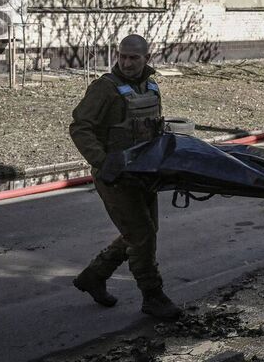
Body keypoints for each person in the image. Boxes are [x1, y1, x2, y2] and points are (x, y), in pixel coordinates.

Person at [68, 34, 181, 320]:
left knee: (144, 231)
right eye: (122, 56)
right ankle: (152, 295)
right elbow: (81, 127)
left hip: (145, 174)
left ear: (147, 59)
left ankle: (95, 275)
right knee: (141, 235)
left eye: (134, 58)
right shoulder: (104, 89)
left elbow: (153, 127)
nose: (127, 63)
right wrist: (102, 162)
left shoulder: (151, 86)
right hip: (116, 177)